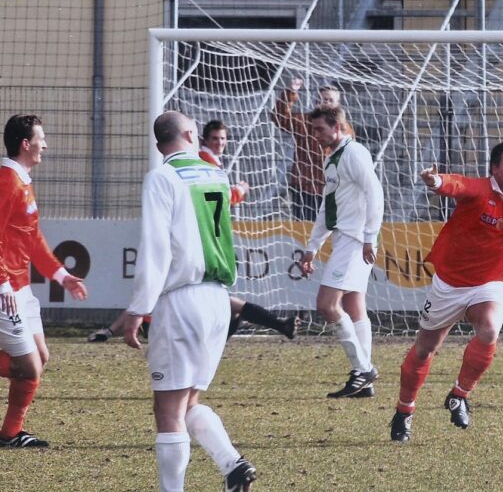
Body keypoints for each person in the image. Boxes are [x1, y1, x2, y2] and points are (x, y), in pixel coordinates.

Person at [116, 111, 256, 492]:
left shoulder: (162, 177)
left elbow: (156, 249)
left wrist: (138, 308)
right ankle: (233, 464)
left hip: (181, 300)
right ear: (192, 136)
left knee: (168, 407)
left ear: (160, 144)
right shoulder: (216, 174)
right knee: (188, 401)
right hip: (217, 300)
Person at [86, 120, 297, 343]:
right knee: (199, 296)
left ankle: (276, 325)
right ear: (197, 138)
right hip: (183, 294)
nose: (220, 143)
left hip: (189, 289)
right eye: (215, 138)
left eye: (223, 138)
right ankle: (277, 324)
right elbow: (218, 198)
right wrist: (239, 191)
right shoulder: (202, 163)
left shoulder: (207, 164)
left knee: (182, 291)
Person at [389, 141, 503, 443]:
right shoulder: (478, 190)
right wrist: (435, 181)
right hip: (449, 285)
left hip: (491, 284)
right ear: (495, 169)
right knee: (424, 350)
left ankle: (459, 394)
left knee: (489, 330)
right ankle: (404, 412)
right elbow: (455, 185)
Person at [0, 114, 89, 448]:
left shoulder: (22, 182)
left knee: (39, 359)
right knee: (28, 368)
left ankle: (11, 434)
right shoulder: (4, 183)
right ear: (25, 144)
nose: (45, 144)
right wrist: (2, 284)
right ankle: (9, 433)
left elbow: (31, 238)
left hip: (18, 285)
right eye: (40, 138)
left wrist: (61, 275)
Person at [299, 106, 385, 399]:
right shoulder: (332, 158)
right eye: (313, 129)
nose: (315, 134)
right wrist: (313, 247)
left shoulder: (354, 153)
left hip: (355, 240)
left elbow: (375, 191)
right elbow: (328, 206)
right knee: (354, 305)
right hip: (347, 238)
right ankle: (366, 382)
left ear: (337, 127)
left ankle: (363, 369)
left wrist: (369, 237)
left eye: (320, 129)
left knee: (327, 303)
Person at [272, 79, 351, 220]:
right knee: (306, 232)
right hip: (304, 189)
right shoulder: (303, 121)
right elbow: (279, 118)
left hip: (334, 190)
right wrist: (290, 93)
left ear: (337, 105)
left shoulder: (345, 129)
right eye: (322, 99)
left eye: (330, 100)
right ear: (316, 102)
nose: (326, 102)